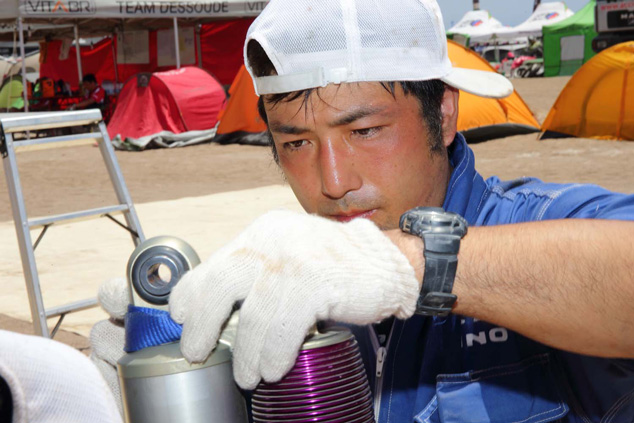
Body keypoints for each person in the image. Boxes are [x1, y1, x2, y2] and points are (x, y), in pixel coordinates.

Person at [92, 0, 634, 422]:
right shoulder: (288, 285)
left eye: (364, 131)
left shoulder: (537, 222)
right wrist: (180, 388)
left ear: (443, 113)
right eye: (297, 143)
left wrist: (412, 266)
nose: (333, 182)